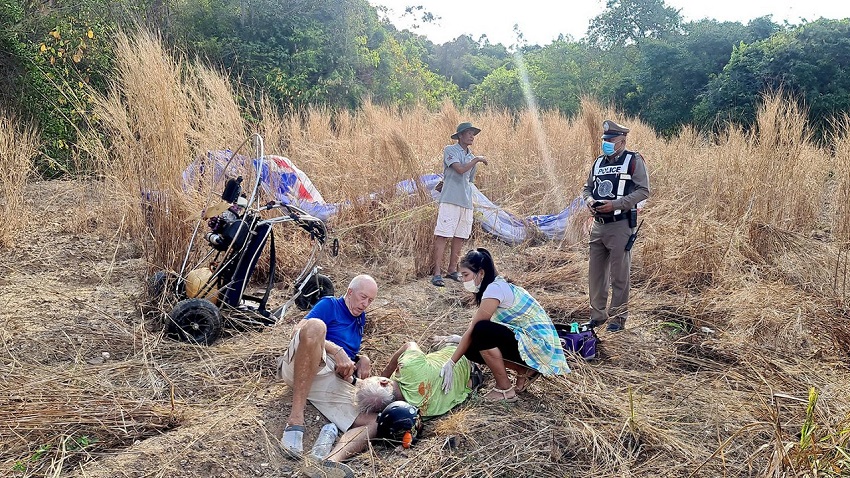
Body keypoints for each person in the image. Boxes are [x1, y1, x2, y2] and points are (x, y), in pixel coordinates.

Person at [276, 274, 378, 478]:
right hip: (303, 365)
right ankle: (295, 420)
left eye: (370, 300)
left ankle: (329, 463)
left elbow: (349, 350)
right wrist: (337, 351)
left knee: (374, 421)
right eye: (362, 297)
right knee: (316, 326)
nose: (365, 304)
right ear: (349, 292)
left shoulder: (360, 317)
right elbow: (299, 330)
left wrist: (361, 358)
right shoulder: (329, 304)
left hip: (329, 379)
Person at [440, 248, 570, 402]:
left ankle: (505, 389)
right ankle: (524, 370)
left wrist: (451, 362)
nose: (463, 280)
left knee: (481, 331)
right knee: (472, 347)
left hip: (539, 345)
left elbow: (476, 327)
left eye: (466, 275)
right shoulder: (495, 285)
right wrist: (460, 341)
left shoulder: (494, 289)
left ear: (481, 273)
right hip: (530, 341)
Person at [581, 120, 650, 332]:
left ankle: (617, 320)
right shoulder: (598, 162)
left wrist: (616, 205)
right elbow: (587, 189)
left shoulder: (633, 160)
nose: (607, 144)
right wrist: (590, 201)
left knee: (619, 276)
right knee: (596, 274)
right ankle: (597, 316)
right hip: (599, 224)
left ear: (622, 141)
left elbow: (643, 191)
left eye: (611, 140)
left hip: (621, 225)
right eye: (605, 140)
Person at [355, 339, 483, 418]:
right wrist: (386, 372)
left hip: (472, 379)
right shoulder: (409, 367)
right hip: (461, 354)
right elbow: (409, 344)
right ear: (383, 382)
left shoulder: (412, 414)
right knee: (444, 342)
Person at [431, 122, 488, 287]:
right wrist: (477, 159)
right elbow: (460, 170)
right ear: (460, 136)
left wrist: (474, 160)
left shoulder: (471, 157)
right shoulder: (451, 150)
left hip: (466, 201)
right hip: (450, 200)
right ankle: (437, 273)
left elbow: (468, 181)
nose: (472, 136)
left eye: (473, 134)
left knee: (460, 236)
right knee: (443, 234)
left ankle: (451, 270)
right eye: (469, 133)